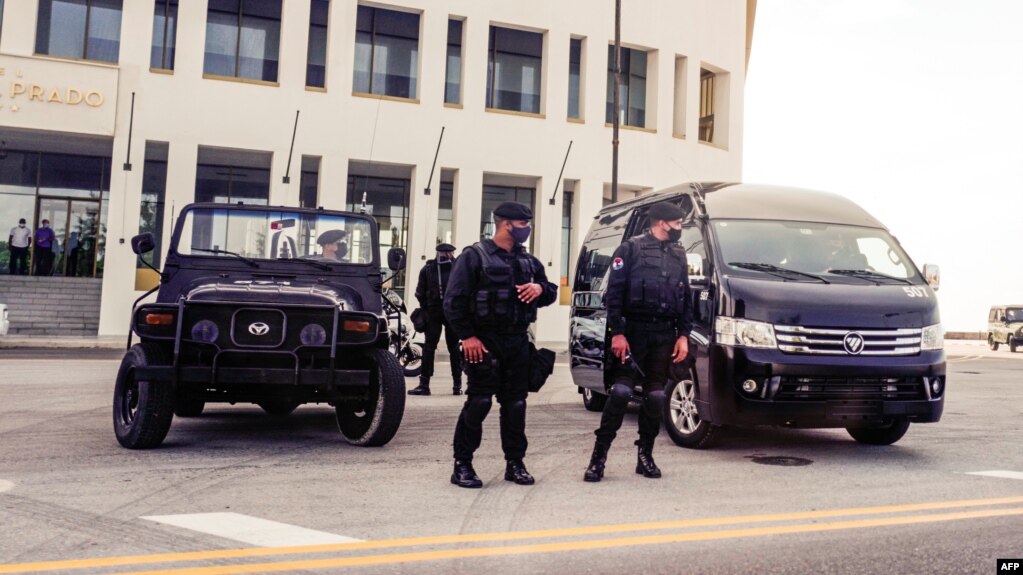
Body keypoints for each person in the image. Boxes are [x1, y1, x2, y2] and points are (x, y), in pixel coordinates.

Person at [443, 201, 557, 488]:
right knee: (479, 402)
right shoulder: (474, 256)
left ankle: (515, 463)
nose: (527, 230)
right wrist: (467, 336)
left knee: (516, 405)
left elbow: (550, 291)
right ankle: (463, 464)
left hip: (517, 340)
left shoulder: (529, 262)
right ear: (506, 224)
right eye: (523, 225)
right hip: (484, 341)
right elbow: (453, 301)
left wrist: (540, 288)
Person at [584, 201, 693, 482]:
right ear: (661, 223)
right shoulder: (629, 249)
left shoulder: (679, 255)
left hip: (664, 335)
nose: (680, 228)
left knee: (656, 396)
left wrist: (683, 336)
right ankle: (598, 458)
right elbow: (614, 295)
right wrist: (618, 334)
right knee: (620, 393)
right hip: (633, 332)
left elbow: (686, 299)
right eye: (677, 223)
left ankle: (645, 456)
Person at [409, 243, 462, 396]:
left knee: (429, 347)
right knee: (453, 348)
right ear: (451, 253)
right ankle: (457, 385)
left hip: (434, 311)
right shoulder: (458, 268)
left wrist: (426, 306)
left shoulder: (428, 269)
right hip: (451, 312)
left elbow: (419, 292)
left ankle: (424, 384)